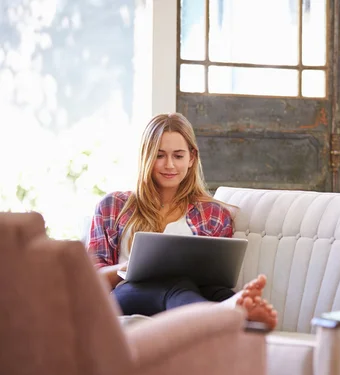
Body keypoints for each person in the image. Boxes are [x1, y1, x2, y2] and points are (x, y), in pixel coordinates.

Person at [87, 112, 277, 329]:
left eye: (178, 156)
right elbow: (93, 282)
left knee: (216, 291)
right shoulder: (113, 205)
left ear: (191, 159)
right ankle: (220, 315)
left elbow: (215, 276)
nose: (169, 165)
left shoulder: (213, 215)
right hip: (128, 294)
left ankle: (235, 311)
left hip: (191, 292)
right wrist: (130, 267)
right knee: (174, 283)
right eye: (160, 155)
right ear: (146, 156)